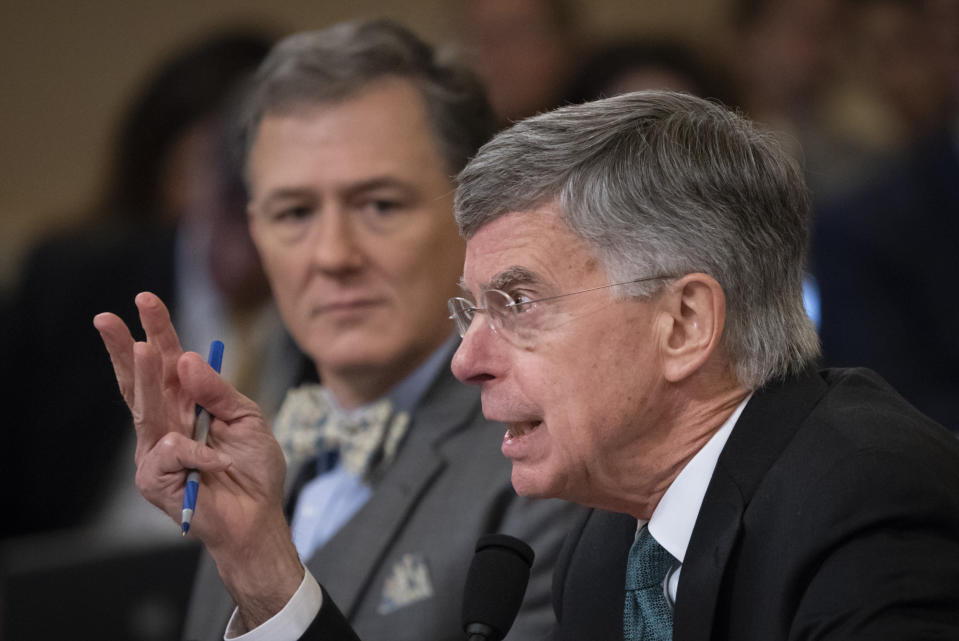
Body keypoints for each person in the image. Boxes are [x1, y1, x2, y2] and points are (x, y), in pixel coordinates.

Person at [97, 90, 959, 639]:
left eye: (517, 302)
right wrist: (258, 556)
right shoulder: (612, 545)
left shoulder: (866, 502)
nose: (467, 359)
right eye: (469, 311)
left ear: (684, 321)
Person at [95, 19, 578, 641]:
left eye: (380, 204)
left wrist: (262, 568)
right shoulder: (249, 446)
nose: (332, 254)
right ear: (255, 230)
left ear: (479, 214)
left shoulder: (548, 461)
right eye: (294, 212)